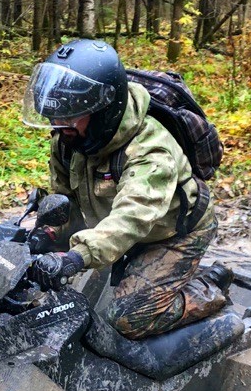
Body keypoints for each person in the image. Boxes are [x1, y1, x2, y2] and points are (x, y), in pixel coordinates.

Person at [20, 39, 231, 340]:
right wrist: (46, 231)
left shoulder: (150, 151)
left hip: (172, 233)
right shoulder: (70, 139)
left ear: (103, 110)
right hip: (113, 225)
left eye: (69, 117)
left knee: (128, 318)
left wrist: (74, 258)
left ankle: (209, 286)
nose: (58, 126)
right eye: (55, 118)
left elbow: (130, 220)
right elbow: (64, 199)